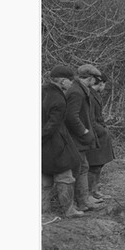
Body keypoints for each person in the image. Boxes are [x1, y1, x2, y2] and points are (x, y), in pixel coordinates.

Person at [42, 65, 84, 219]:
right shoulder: (59, 99)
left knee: (44, 179)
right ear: (62, 81)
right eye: (70, 80)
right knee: (65, 177)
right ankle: (68, 210)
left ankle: (43, 212)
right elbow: (52, 125)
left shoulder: (42, 91)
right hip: (55, 143)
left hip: (43, 146)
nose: (71, 84)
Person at [64, 64, 105, 211]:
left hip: (78, 138)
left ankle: (84, 200)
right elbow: (71, 116)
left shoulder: (80, 90)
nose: (96, 82)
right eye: (95, 79)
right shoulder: (76, 92)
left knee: (83, 167)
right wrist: (84, 132)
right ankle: (82, 202)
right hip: (76, 138)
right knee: (81, 168)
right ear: (90, 78)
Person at [87, 73, 116, 201]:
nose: (104, 87)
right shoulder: (89, 96)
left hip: (98, 134)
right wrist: (102, 131)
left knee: (98, 165)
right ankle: (90, 193)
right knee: (93, 165)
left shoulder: (94, 95)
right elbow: (91, 119)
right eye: (104, 84)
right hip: (94, 135)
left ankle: (95, 191)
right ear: (101, 83)